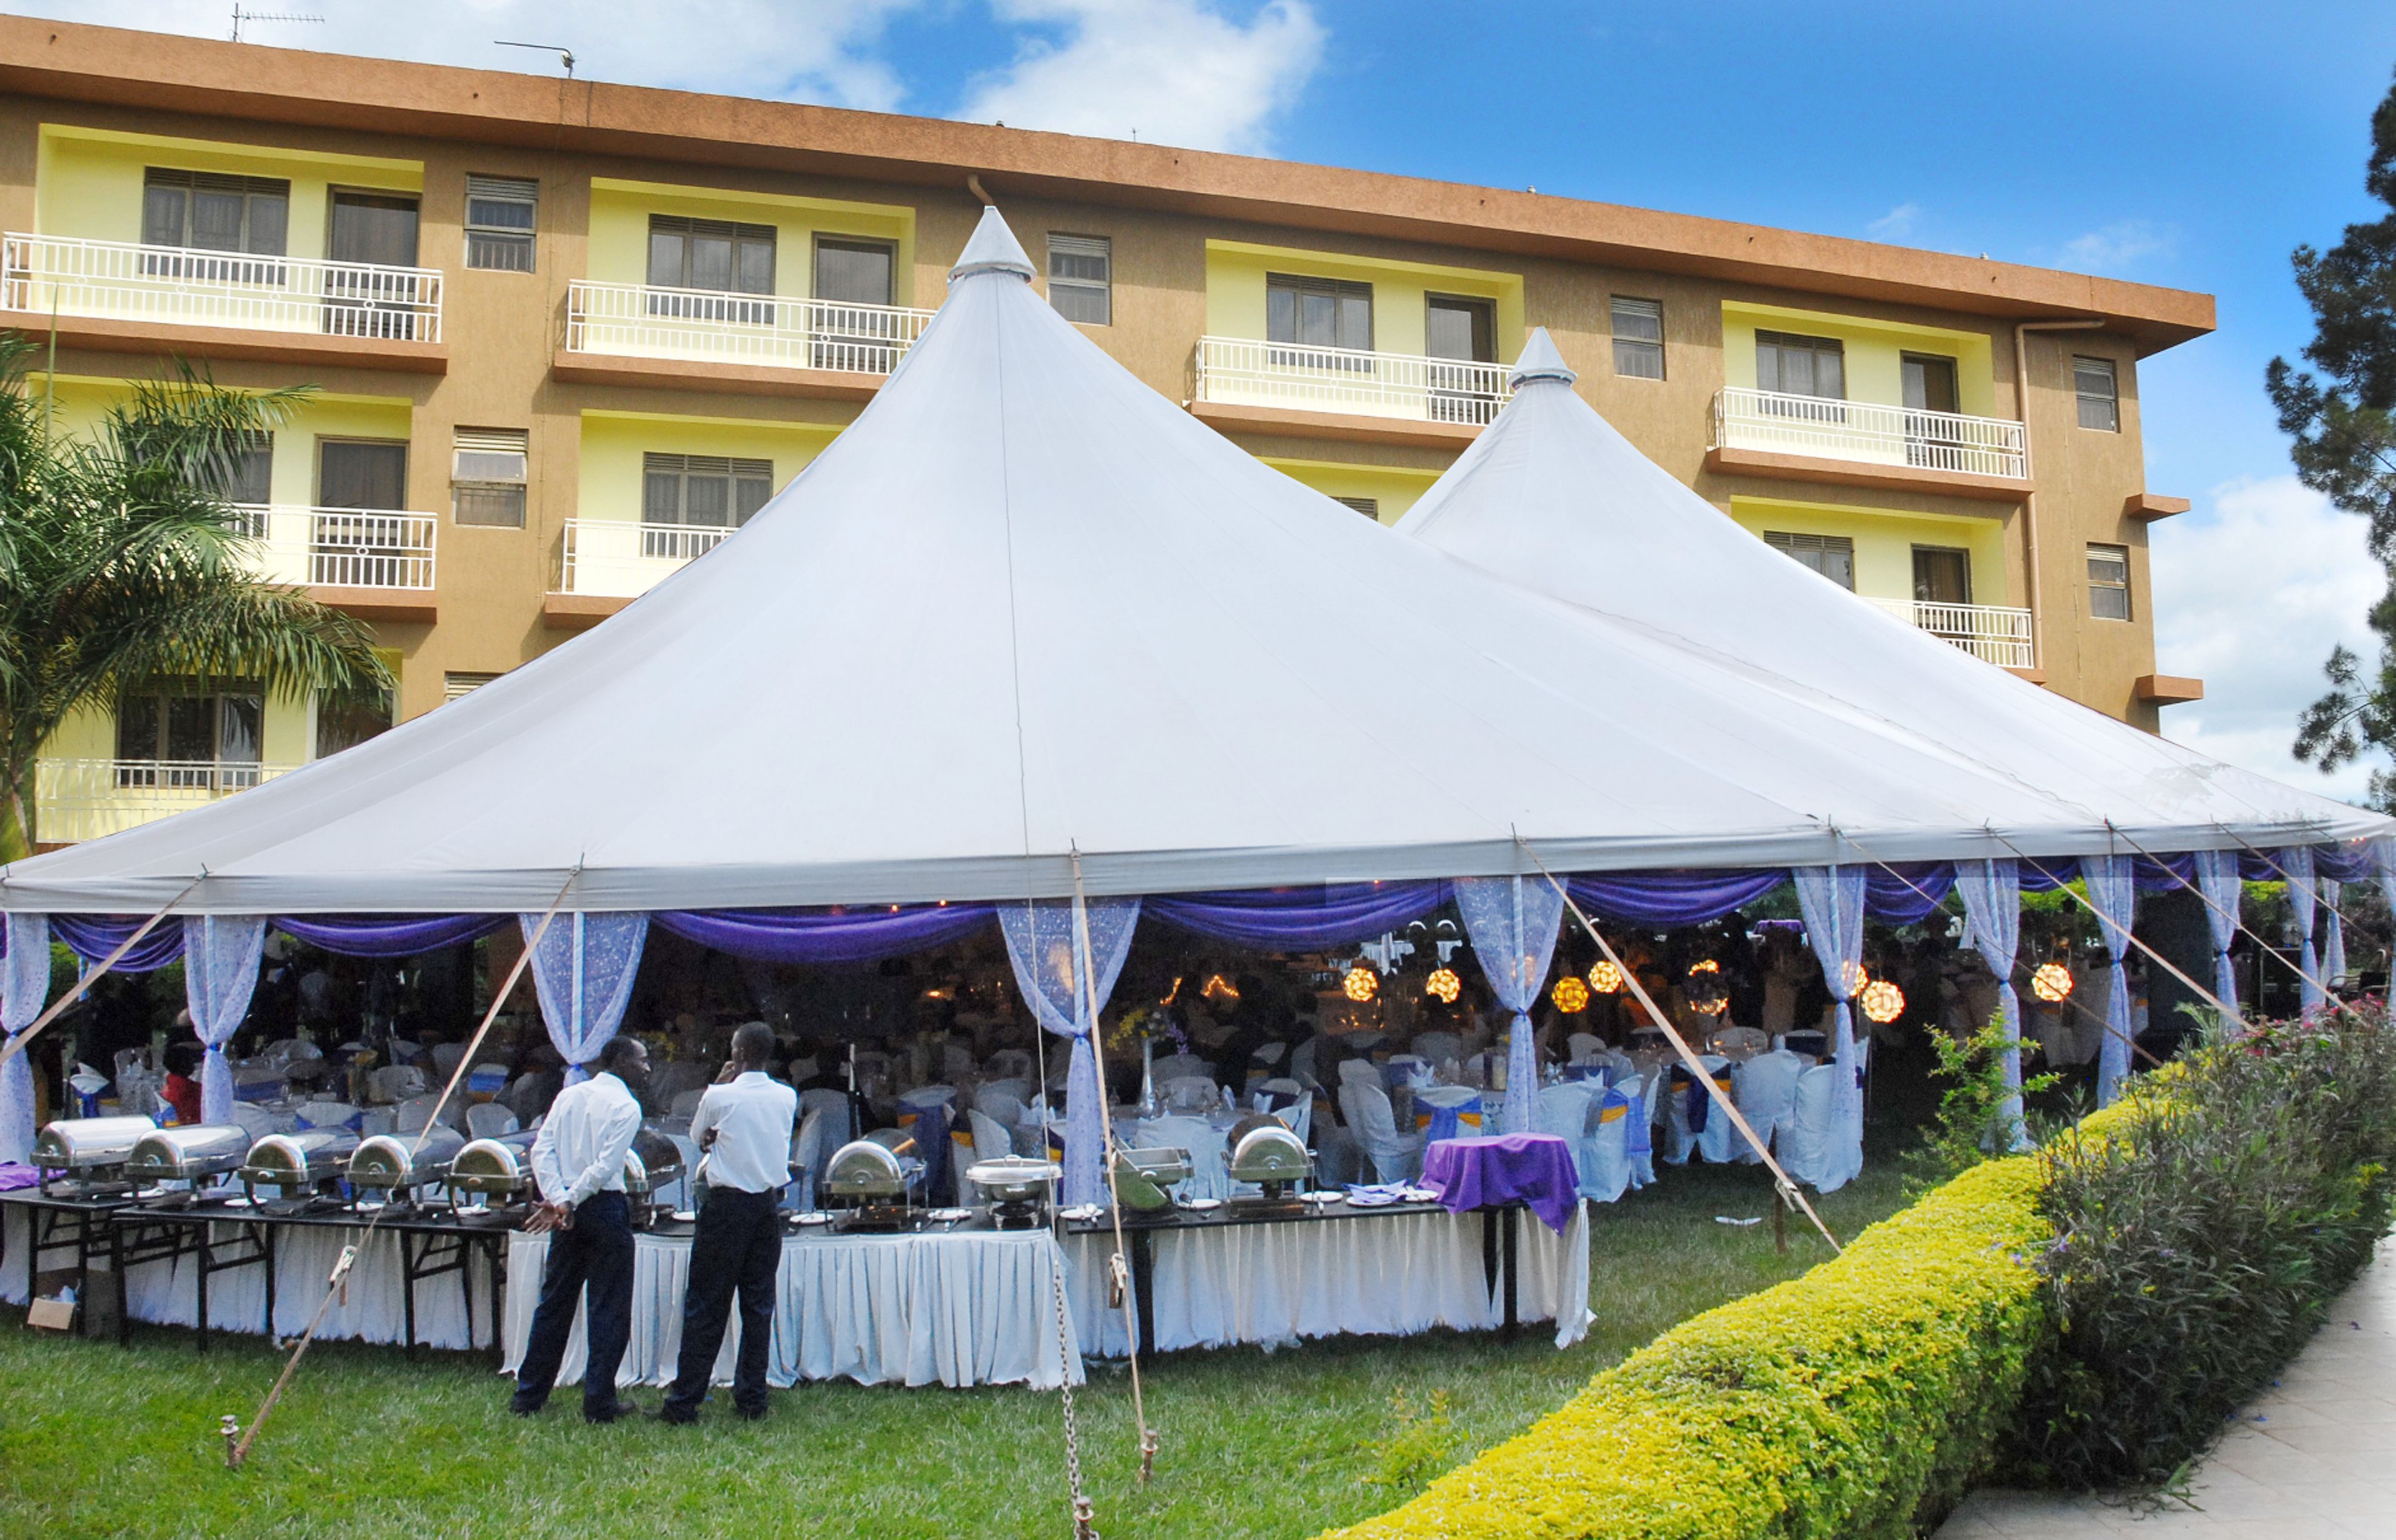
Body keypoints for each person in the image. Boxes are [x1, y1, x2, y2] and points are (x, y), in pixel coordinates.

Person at [659, 1022, 797, 1424]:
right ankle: (752, 1398)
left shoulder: (720, 1095)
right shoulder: (786, 1095)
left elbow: (697, 1132)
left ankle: (685, 1400)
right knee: (758, 1305)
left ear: (737, 1053)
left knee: (706, 1304)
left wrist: (717, 1087)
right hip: (766, 1208)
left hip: (726, 1207)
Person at [510, 1036, 650, 1423]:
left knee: (554, 1303)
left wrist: (558, 1199)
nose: (648, 1069)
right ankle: (599, 1402)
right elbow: (605, 1167)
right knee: (608, 1308)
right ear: (619, 1061)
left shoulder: (570, 1096)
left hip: (567, 1209)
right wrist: (565, 1201)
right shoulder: (626, 1106)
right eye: (642, 1060)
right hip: (602, 1208)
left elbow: (544, 1150)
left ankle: (529, 1396)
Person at [159, 1042, 203, 1126]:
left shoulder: (168, 1086)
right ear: (184, 1064)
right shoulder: (191, 1089)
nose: (194, 1065)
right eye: (191, 1061)